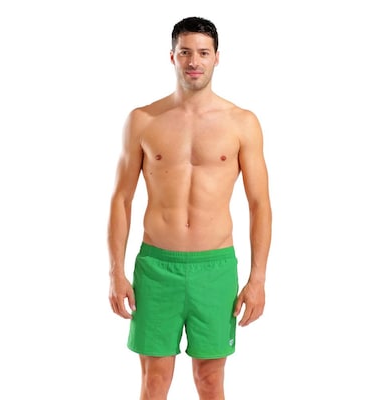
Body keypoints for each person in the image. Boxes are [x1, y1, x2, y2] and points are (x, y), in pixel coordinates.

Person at [108, 16, 272, 400]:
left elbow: (259, 204)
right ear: (172, 57)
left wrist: (258, 278)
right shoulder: (143, 120)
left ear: (217, 58)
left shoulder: (242, 123)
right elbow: (121, 199)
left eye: (203, 53)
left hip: (215, 268)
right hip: (156, 268)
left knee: (210, 381)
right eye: (185, 52)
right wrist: (116, 272)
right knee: (154, 381)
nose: (194, 61)